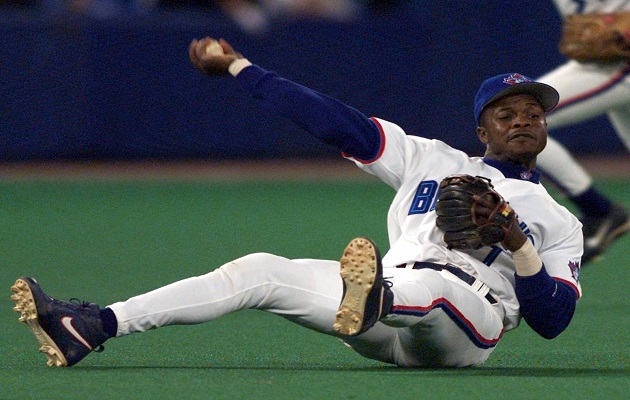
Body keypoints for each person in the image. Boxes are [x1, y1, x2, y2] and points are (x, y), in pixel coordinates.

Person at [10, 37, 583, 368]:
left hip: (467, 324)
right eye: (506, 114)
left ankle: (375, 297)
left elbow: (553, 321)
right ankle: (94, 324)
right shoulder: (429, 159)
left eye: (534, 113)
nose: (523, 121)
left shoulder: (558, 221)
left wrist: (517, 244)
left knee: (432, 288)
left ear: (546, 128)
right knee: (260, 270)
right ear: (481, 129)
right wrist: (240, 67)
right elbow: (331, 120)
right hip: (381, 312)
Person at [534, 0, 630, 263]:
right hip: (603, 62)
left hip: (619, 64)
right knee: (517, 114)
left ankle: (600, 212)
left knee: (521, 115)